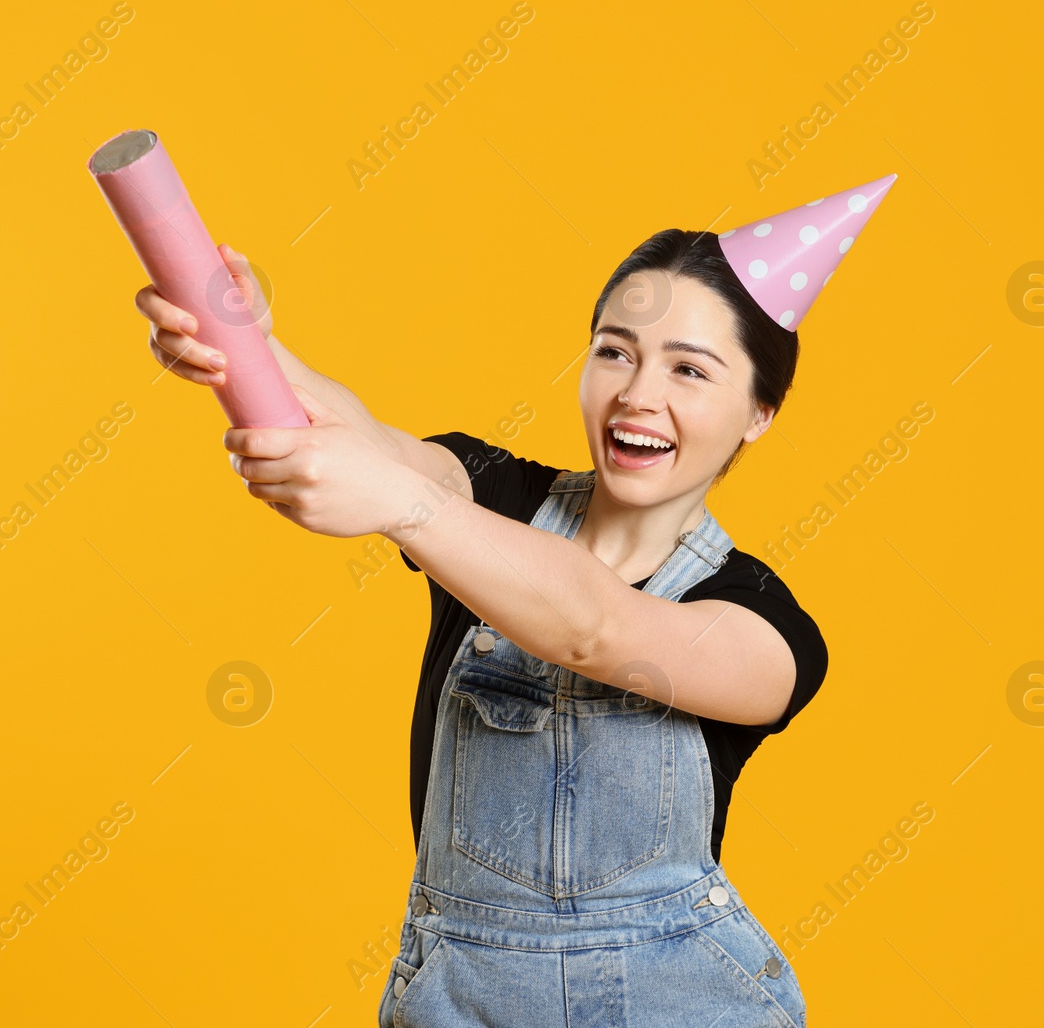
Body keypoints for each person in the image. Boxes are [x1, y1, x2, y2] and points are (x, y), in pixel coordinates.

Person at [137, 174, 895, 1027]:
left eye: (690, 369)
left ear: (758, 412)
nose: (639, 394)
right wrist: (238, 338)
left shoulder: (762, 623)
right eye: (615, 350)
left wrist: (408, 506)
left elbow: (598, 629)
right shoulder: (489, 492)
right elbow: (351, 441)